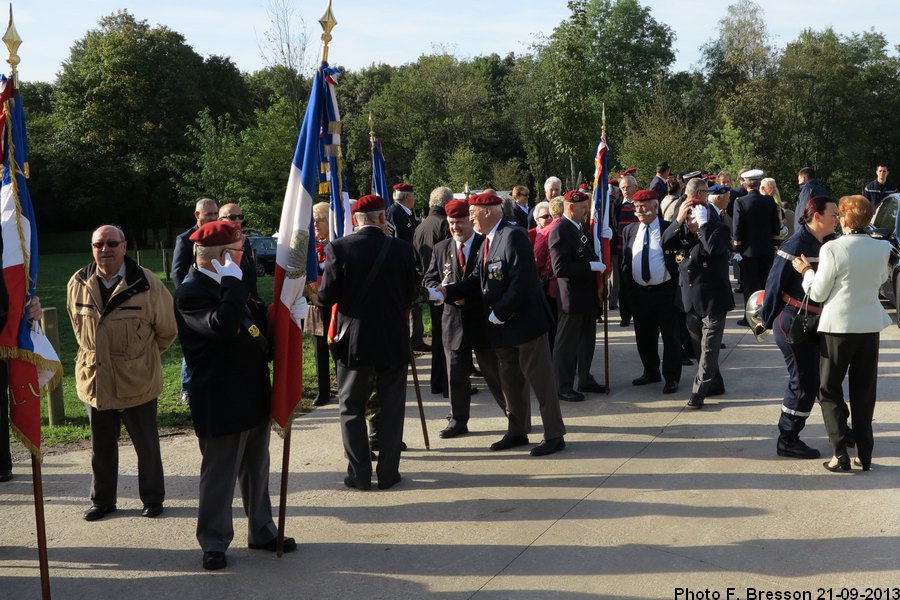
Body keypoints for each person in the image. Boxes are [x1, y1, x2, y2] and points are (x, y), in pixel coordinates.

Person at [174, 220, 296, 570]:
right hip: (220, 397)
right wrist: (231, 283)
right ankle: (213, 541)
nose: (246, 258)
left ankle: (261, 530)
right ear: (225, 255)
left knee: (257, 468)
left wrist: (286, 321)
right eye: (240, 252)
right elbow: (222, 327)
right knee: (220, 474)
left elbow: (255, 329)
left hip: (252, 390)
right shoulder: (191, 291)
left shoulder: (236, 286)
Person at [437, 191, 566, 457]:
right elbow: (476, 280)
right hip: (501, 328)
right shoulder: (487, 241)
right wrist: (446, 292)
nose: (470, 219)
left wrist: (501, 312)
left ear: (488, 211)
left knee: (541, 381)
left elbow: (523, 280)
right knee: (510, 383)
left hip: (525, 324)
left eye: (472, 213)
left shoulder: (513, 235)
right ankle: (517, 431)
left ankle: (554, 434)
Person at [67, 225, 177, 521]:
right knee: (100, 448)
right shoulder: (77, 282)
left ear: (124, 247)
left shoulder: (148, 284)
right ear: (92, 248)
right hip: (96, 380)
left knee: (147, 447)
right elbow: (79, 328)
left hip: (137, 380)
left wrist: (138, 358)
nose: (105, 249)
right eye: (99, 244)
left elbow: (166, 331)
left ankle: (153, 499)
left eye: (112, 243)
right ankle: (102, 500)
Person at [318, 194, 417, 490]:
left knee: (351, 408)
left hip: (355, 343)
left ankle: (359, 474)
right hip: (392, 339)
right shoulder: (401, 249)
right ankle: (388, 473)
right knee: (392, 407)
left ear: (355, 222)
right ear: (383, 218)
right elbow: (411, 296)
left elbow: (327, 297)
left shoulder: (339, 248)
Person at [792, 195, 892, 472]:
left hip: (838, 327)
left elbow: (818, 292)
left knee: (829, 390)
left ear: (845, 219)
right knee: (864, 391)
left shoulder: (832, 249)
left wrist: (806, 272)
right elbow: (882, 280)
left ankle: (840, 454)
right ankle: (865, 454)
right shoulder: (882, 247)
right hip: (870, 326)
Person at [761, 196, 839, 460]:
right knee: (803, 382)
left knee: (824, 380)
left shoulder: (828, 242)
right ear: (816, 216)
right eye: (833, 215)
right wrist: (767, 319)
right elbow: (774, 284)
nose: (837, 219)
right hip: (794, 322)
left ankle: (840, 429)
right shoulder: (796, 244)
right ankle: (788, 438)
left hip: (817, 322)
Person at [423, 199, 507, 438]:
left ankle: (514, 415)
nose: (455, 227)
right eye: (451, 222)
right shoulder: (441, 248)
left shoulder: (486, 244)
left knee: (495, 374)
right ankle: (457, 420)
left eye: (459, 221)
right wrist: (439, 290)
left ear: (470, 220)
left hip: (482, 321)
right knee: (456, 376)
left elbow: (489, 280)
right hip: (453, 322)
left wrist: (459, 294)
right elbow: (428, 279)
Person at [663, 179, 734, 409]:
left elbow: (713, 249)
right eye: (690, 217)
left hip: (714, 299)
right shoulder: (683, 231)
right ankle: (716, 383)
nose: (692, 222)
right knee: (697, 347)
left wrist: (703, 226)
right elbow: (665, 242)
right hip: (690, 299)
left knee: (708, 349)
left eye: (696, 217)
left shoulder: (719, 230)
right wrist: (678, 220)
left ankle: (698, 393)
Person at [620, 190, 681, 394]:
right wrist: (630, 289)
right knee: (644, 336)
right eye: (637, 206)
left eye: (644, 206)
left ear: (656, 207)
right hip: (639, 293)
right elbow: (626, 261)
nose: (640, 210)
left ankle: (671, 377)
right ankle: (651, 371)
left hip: (665, 291)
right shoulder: (630, 230)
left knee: (670, 337)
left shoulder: (668, 228)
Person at [549, 190, 607, 401]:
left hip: (586, 296)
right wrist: (588, 266)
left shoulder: (579, 227)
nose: (586, 211)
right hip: (571, 298)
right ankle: (562, 386)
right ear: (571, 207)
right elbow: (560, 268)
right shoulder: (560, 230)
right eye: (583, 208)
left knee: (586, 341)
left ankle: (584, 378)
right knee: (566, 344)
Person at [172, 197, 219, 405]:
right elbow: (177, 272)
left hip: (217, 298)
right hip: (194, 302)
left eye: (215, 214)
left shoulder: (220, 236)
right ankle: (187, 388)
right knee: (194, 344)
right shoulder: (185, 239)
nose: (213, 217)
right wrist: (189, 296)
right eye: (208, 214)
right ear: (197, 215)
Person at [414, 187, 453, 397]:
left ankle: (437, 382)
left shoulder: (420, 226)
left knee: (439, 336)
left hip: (427, 285)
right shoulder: (444, 224)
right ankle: (447, 383)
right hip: (443, 286)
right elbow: (449, 257)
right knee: (447, 337)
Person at [732, 169, 780, 325]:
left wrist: (736, 248)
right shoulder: (769, 201)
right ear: (759, 184)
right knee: (766, 283)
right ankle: (767, 315)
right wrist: (774, 244)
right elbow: (775, 226)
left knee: (750, 286)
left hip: (748, 251)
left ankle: (750, 318)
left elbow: (737, 228)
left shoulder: (740, 202)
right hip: (766, 249)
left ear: (746, 185)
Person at [388, 182, 427, 352]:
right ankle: (409, 341)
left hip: (412, 264)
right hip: (402, 264)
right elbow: (394, 239)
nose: (415, 198)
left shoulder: (409, 214)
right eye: (413, 195)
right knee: (408, 304)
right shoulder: (394, 213)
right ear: (406, 197)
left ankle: (416, 339)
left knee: (415, 301)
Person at [306, 202, 336, 406]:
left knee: (337, 347)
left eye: (320, 219)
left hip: (335, 304)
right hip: (316, 303)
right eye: (313, 220)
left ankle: (345, 386)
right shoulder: (309, 246)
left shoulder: (338, 242)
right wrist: (312, 294)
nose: (316, 223)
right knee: (320, 350)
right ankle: (323, 391)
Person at [610, 175, 639, 325]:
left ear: (635, 187)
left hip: (639, 250)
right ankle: (625, 316)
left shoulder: (641, 203)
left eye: (628, 187)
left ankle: (639, 312)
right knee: (623, 283)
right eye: (622, 188)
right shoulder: (616, 204)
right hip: (622, 250)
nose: (625, 190)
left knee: (639, 282)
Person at [793, 167, 830, 232]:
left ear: (803, 178)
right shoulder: (824, 190)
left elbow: (803, 211)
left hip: (808, 231)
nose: (798, 183)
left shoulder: (807, 190)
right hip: (823, 228)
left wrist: (799, 232)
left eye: (799, 180)